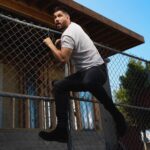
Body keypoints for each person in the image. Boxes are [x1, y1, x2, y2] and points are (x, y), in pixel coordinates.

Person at [39, 6, 127, 143]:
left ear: (68, 18)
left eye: (60, 16)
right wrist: (62, 41)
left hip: (98, 69)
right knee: (59, 86)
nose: (56, 19)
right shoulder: (74, 28)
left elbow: (63, 59)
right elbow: (73, 40)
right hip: (84, 72)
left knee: (88, 82)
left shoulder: (68, 34)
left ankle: (116, 115)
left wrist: (51, 44)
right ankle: (62, 131)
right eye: (54, 17)